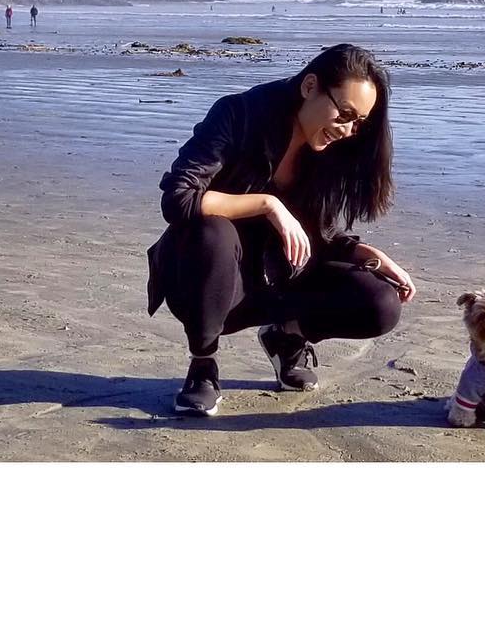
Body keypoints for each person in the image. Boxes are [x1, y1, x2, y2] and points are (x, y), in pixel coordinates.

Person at [147, 43, 416, 415]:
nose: (348, 129)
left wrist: (367, 254)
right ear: (310, 86)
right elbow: (178, 198)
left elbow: (319, 235)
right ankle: (203, 365)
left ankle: (286, 335)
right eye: (344, 114)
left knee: (380, 302)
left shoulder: (329, 148)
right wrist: (268, 204)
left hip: (279, 277)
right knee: (213, 233)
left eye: (358, 122)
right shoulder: (239, 114)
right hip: (210, 279)